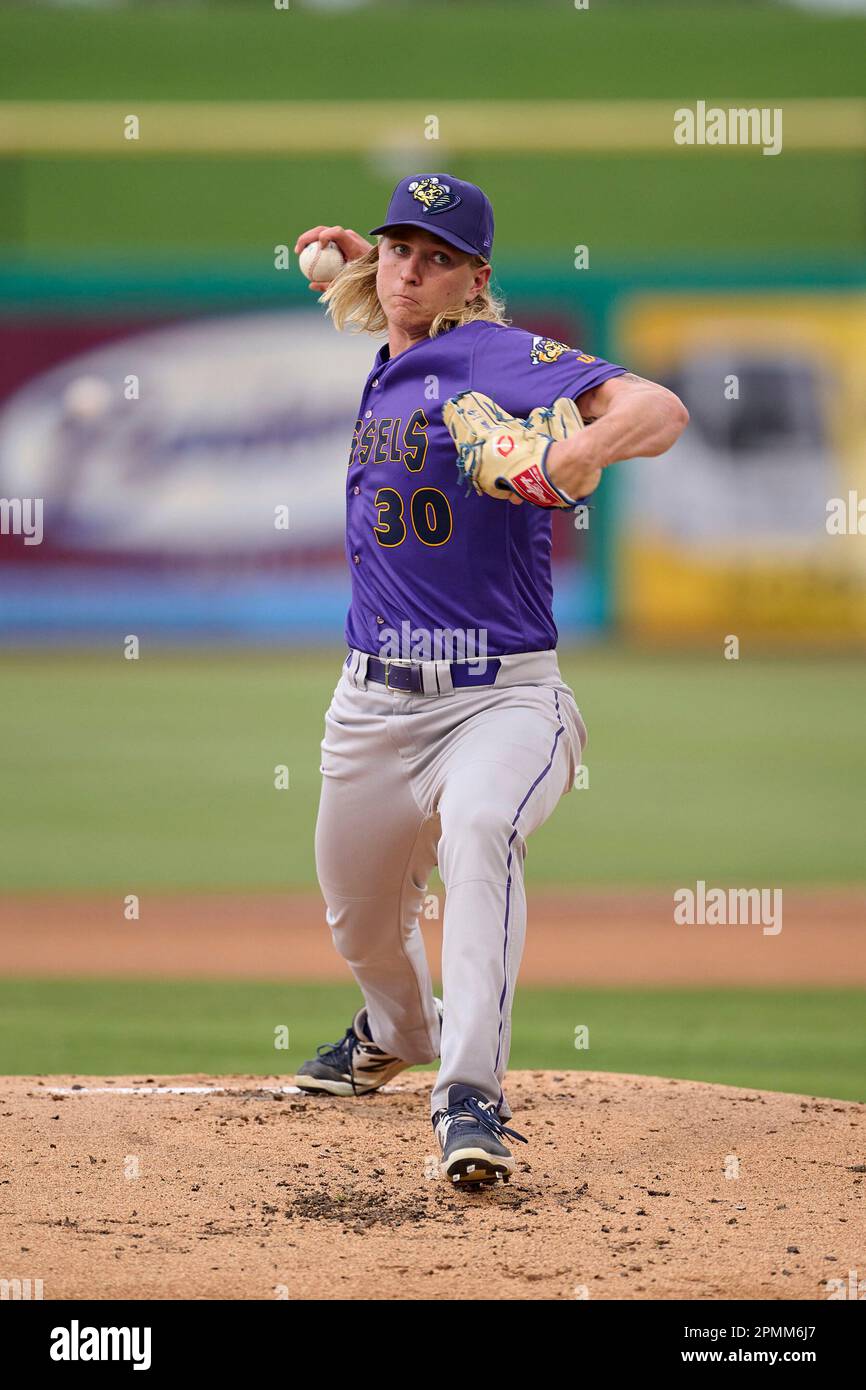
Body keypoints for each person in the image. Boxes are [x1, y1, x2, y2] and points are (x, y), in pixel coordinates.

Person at [292, 173, 688, 1186]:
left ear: (476, 280)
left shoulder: (496, 355)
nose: (408, 271)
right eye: (397, 250)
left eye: (435, 258)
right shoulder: (397, 347)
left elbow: (658, 405)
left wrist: (575, 454)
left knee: (479, 830)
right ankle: (394, 1030)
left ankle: (469, 1094)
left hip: (499, 699)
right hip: (370, 702)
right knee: (358, 922)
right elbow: (373, 296)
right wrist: (341, 261)